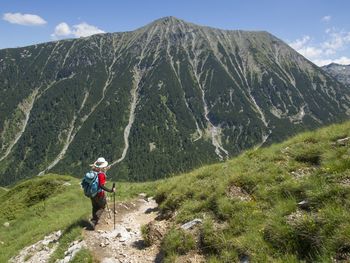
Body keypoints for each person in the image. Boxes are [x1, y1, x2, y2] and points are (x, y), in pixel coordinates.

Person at [90, 157, 115, 230]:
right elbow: (101, 185)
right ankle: (94, 221)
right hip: (99, 194)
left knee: (95, 207)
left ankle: (93, 220)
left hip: (92, 193)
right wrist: (110, 190)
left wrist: (107, 169)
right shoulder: (101, 175)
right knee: (102, 207)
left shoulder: (93, 171)